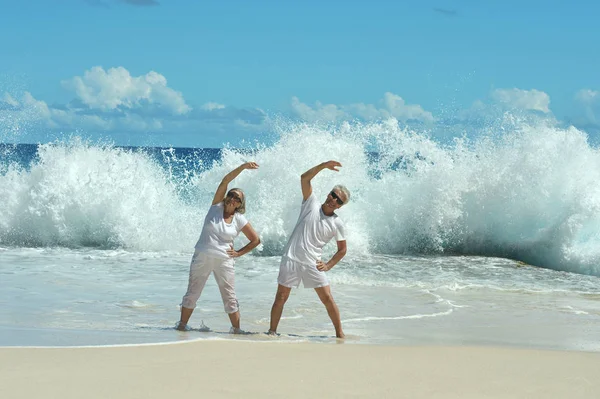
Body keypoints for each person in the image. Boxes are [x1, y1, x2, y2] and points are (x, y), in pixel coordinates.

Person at [268, 160, 350, 338]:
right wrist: (323, 166)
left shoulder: (337, 223)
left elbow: (342, 249)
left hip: (313, 263)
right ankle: (272, 332)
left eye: (338, 200)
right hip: (291, 258)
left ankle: (340, 334)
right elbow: (304, 179)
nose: (333, 200)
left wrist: (328, 265)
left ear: (340, 206)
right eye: (333, 195)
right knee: (281, 297)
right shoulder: (311, 203)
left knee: (327, 299)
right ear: (328, 194)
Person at [176, 162, 261, 333]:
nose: (233, 199)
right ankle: (182, 326)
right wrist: (243, 167)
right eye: (231, 195)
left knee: (229, 297)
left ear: (240, 204)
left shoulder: (239, 219)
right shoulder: (216, 206)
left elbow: (256, 240)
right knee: (193, 292)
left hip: (224, 260)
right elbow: (225, 181)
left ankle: (236, 330)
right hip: (202, 256)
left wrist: (238, 253)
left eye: (238, 198)